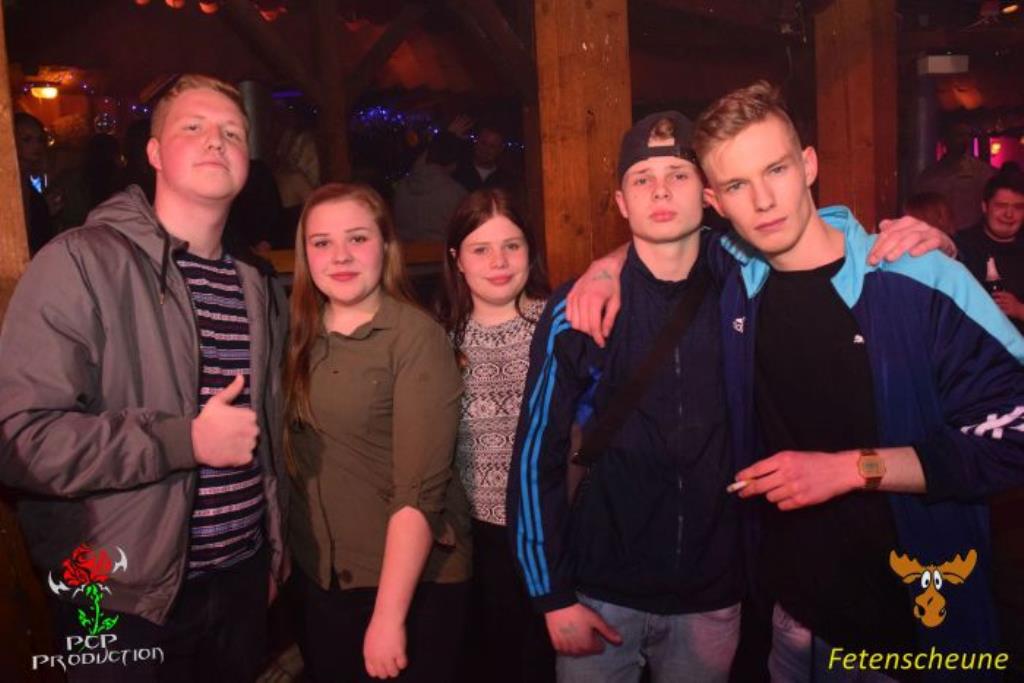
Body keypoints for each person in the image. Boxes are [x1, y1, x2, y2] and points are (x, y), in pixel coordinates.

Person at [692, 81, 1024, 681]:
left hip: (909, 628)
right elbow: (661, 244)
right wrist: (603, 274)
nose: (763, 200)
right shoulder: (738, 281)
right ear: (715, 202)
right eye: (737, 185)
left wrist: (852, 469)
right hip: (792, 621)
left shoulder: (917, 279)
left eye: (776, 170)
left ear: (809, 165)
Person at [0, 74, 289, 682]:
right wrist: (184, 440)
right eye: (194, 127)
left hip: (238, 583)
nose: (216, 141)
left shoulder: (257, 283)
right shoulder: (79, 262)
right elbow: (20, 440)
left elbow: (267, 440)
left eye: (232, 133)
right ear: (154, 153)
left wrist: (270, 553)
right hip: (117, 597)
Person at [507, 111, 749, 683]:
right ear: (621, 202)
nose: (660, 191)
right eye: (642, 179)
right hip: (600, 590)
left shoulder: (745, 289)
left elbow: (806, 246)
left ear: (708, 193)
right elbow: (536, 454)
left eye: (678, 175)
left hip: (712, 591)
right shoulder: (577, 308)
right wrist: (551, 596)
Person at [284, 183, 471, 682]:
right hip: (322, 580)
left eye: (358, 238)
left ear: (385, 246)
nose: (340, 256)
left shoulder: (415, 337)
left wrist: (388, 618)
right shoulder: (295, 337)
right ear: (305, 255)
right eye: (322, 242)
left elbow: (419, 493)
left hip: (407, 587)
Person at [434, 188, 554, 683]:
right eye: (480, 249)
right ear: (457, 259)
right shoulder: (440, 340)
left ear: (530, 250)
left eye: (512, 245)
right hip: (477, 542)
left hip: (556, 533)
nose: (498, 262)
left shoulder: (562, 326)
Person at [955, 170, 1024, 334]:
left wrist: (1019, 310)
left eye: (1018, 207)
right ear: (985, 207)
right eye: (1001, 206)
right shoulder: (961, 246)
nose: (1009, 214)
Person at [914, 121, 995, 232]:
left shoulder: (983, 172)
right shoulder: (929, 175)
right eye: (959, 135)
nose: (964, 139)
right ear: (946, 138)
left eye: (967, 135)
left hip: (973, 234)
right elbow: (920, 209)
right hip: (939, 232)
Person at [393, 133, 467, 243]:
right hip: (439, 252)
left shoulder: (401, 186)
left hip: (403, 251)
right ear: (454, 164)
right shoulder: (457, 193)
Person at [13, 112, 59, 255]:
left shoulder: (32, 177)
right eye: (27, 139)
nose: (36, 145)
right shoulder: (14, 181)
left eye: (40, 139)